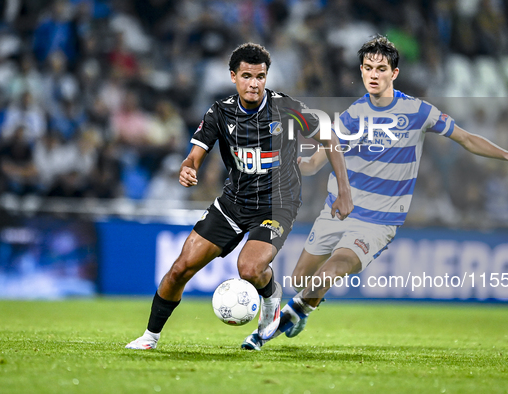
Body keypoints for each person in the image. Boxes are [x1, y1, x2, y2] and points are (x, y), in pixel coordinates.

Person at [241, 35, 508, 350]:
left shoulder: (418, 111)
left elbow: (466, 138)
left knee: (333, 269)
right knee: (302, 280)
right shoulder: (351, 116)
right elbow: (318, 162)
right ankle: (304, 308)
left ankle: (270, 331)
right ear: (361, 71)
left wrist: (507, 154)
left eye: (382, 68)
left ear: (394, 73)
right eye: (368, 68)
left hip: (379, 221)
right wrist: (296, 161)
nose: (374, 74)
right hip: (337, 211)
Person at [126, 43, 353, 350]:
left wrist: (343, 189)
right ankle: (149, 338)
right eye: (247, 75)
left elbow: (329, 136)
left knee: (249, 268)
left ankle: (269, 294)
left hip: (277, 204)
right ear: (233, 76)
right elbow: (194, 156)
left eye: (260, 76)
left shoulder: (285, 109)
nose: (254, 83)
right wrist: (188, 169)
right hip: (233, 203)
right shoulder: (220, 112)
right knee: (180, 268)